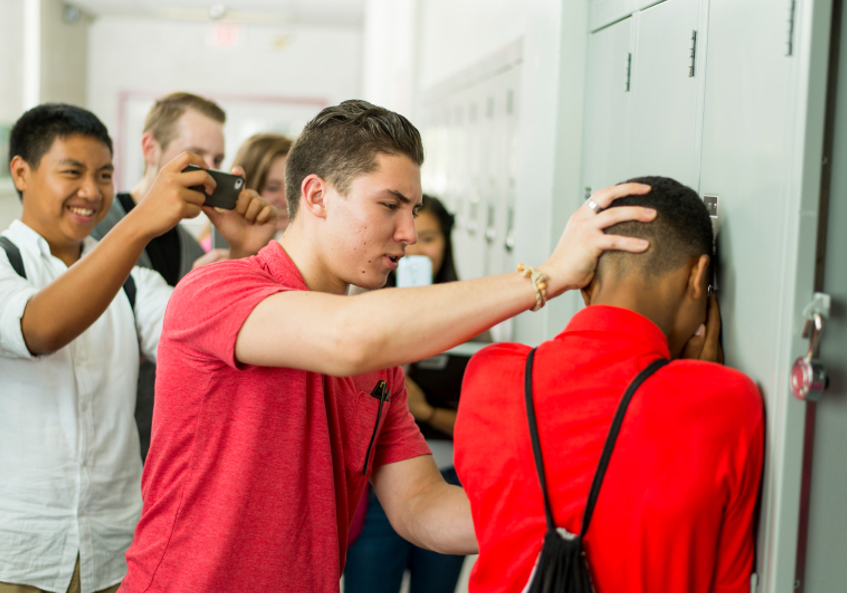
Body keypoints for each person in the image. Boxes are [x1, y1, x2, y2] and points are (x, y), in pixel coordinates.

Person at [120, 99, 658, 593]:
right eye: (390, 205)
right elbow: (347, 337)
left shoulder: (381, 366)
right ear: (316, 196)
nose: (408, 231)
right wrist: (546, 277)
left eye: (415, 209)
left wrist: (572, 512)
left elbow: (421, 506)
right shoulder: (216, 291)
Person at [0, 103, 276, 593]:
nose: (92, 192)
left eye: (103, 175)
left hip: (110, 554)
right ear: (21, 172)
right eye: (72, 173)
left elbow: (214, 344)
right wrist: (142, 221)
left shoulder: (134, 285)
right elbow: (37, 328)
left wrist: (247, 255)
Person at [453, 176, 764, 593]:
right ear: (698, 278)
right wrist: (702, 383)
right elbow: (726, 580)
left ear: (583, 279)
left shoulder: (488, 377)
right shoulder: (728, 401)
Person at [90, 92, 255, 460]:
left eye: (218, 159)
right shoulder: (98, 230)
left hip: (167, 442)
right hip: (104, 440)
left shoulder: (192, 249)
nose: (212, 171)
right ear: (150, 148)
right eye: (197, 156)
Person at [344, 196, 471, 593]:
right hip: (376, 483)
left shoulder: (472, 319)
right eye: (409, 237)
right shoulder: (357, 316)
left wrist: (427, 411)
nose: (415, 245)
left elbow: (481, 425)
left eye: (429, 237)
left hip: (450, 479)